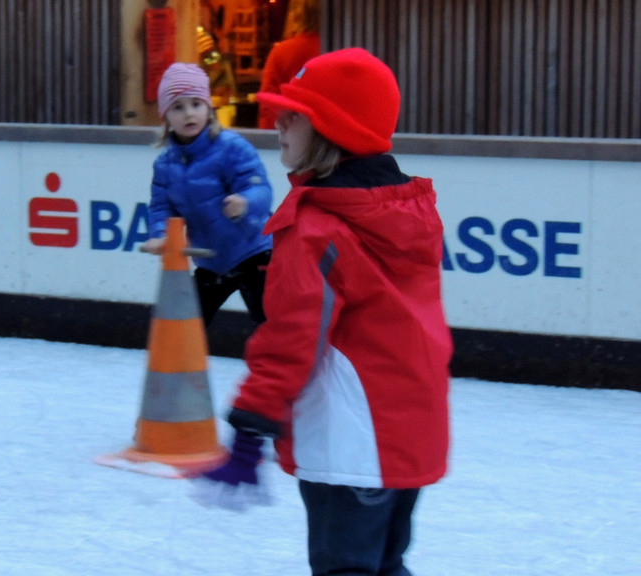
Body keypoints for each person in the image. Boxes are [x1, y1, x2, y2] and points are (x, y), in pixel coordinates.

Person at [192, 48, 453, 576]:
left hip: (351, 441)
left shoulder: (316, 228)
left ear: (332, 129)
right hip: (409, 429)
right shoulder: (405, 211)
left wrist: (250, 426)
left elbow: (292, 337)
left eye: (293, 114)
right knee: (385, 564)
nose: (276, 122)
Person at [142, 62, 273, 327]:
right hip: (210, 260)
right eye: (178, 107)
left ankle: (283, 355)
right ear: (165, 116)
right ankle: (183, 355)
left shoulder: (231, 147)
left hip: (253, 252)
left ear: (208, 108)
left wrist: (244, 202)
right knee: (186, 323)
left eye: (196, 104)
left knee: (271, 323)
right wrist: (160, 234)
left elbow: (261, 189)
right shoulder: (165, 165)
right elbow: (162, 207)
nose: (189, 113)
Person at [256, 0, 321, 129]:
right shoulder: (342, 49)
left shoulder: (281, 53)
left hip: (290, 133)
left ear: (299, 13)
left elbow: (269, 109)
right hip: (332, 137)